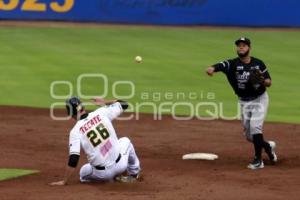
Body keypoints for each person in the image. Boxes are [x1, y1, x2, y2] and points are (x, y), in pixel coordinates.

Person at [206, 37, 277, 169]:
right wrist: (212, 68)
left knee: (256, 127)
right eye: (239, 46)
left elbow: (269, 82)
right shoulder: (232, 64)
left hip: (259, 99)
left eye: (244, 45)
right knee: (250, 136)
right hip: (244, 101)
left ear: (249, 48)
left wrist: (261, 80)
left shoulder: (258, 63)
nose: (241, 47)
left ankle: (258, 160)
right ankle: (268, 146)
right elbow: (221, 65)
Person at [50, 97, 141, 185]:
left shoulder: (75, 131)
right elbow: (124, 104)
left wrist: (64, 181)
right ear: (83, 107)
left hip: (103, 174)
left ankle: (109, 180)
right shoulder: (101, 112)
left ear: (70, 114)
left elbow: (74, 159)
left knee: (83, 173)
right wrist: (104, 102)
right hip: (121, 165)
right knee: (126, 141)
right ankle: (134, 174)